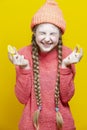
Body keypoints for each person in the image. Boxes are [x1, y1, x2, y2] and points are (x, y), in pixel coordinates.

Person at [8, 0, 83, 130]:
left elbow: (66, 97)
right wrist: (24, 69)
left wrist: (65, 66)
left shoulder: (68, 55)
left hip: (63, 125)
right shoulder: (23, 55)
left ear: (59, 35)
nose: (47, 38)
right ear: (34, 33)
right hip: (31, 125)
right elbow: (22, 98)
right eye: (42, 33)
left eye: (52, 33)